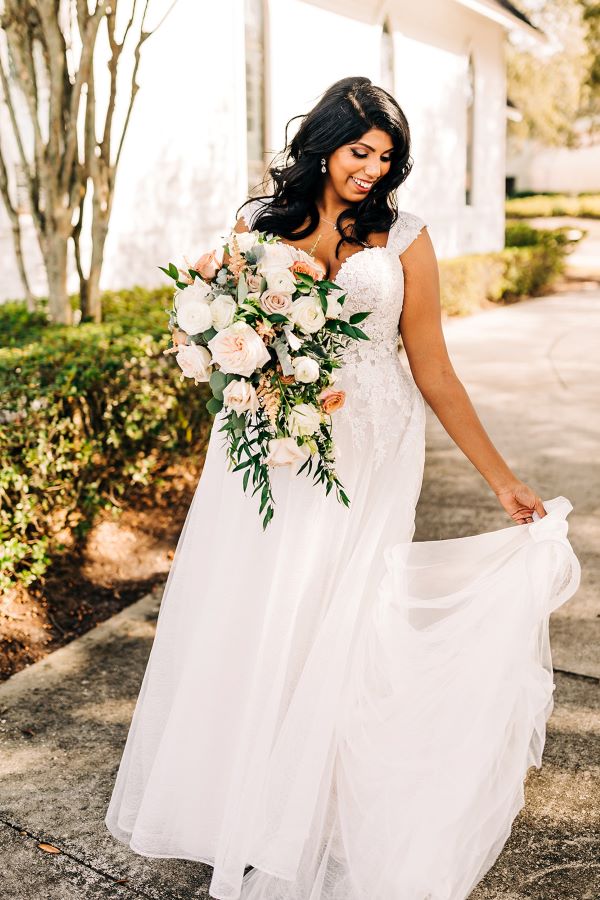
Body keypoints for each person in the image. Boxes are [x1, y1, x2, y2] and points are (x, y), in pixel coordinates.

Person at [105, 76, 581, 900]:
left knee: (343, 608)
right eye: (361, 151)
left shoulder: (405, 237)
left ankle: (311, 800)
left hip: (369, 446)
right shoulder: (257, 225)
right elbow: (227, 332)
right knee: (258, 604)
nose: (372, 169)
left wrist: (501, 480)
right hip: (269, 439)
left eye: (387, 157)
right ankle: (242, 794)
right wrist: (244, 367)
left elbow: (433, 370)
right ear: (324, 141)